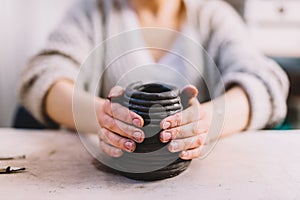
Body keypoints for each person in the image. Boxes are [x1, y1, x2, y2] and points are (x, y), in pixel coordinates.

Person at [19, 0, 289, 160]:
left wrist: (207, 123)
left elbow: (265, 82)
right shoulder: (94, 12)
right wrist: (105, 118)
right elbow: (43, 75)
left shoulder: (212, 15)